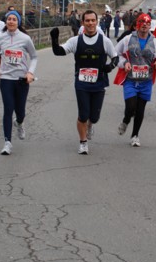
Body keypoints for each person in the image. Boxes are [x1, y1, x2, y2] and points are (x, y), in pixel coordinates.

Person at [50, 10, 118, 155]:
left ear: (96, 22)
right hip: (81, 83)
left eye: (93, 20)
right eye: (87, 20)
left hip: (99, 83)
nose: (90, 23)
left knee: (94, 117)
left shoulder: (104, 40)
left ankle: (90, 124)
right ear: (82, 23)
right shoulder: (76, 41)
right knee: (83, 114)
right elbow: (59, 52)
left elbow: (115, 57)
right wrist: (54, 40)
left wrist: (110, 67)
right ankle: (83, 142)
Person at [114, 13, 156, 146]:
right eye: (142, 22)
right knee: (130, 107)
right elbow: (116, 54)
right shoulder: (127, 39)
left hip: (146, 80)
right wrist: (124, 62)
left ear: (150, 26)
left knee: (140, 109)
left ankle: (135, 136)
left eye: (147, 23)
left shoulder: (155, 42)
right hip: (130, 79)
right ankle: (126, 120)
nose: (145, 25)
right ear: (137, 24)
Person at [0, 11, 37, 155]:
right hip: (6, 79)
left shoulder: (25, 38)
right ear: (6, 22)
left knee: (20, 111)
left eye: (14, 19)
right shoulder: (0, 38)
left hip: (22, 80)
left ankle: (20, 122)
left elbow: (34, 57)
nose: (11, 21)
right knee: (8, 109)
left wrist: (30, 72)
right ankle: (7, 142)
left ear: (18, 22)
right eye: (9, 19)